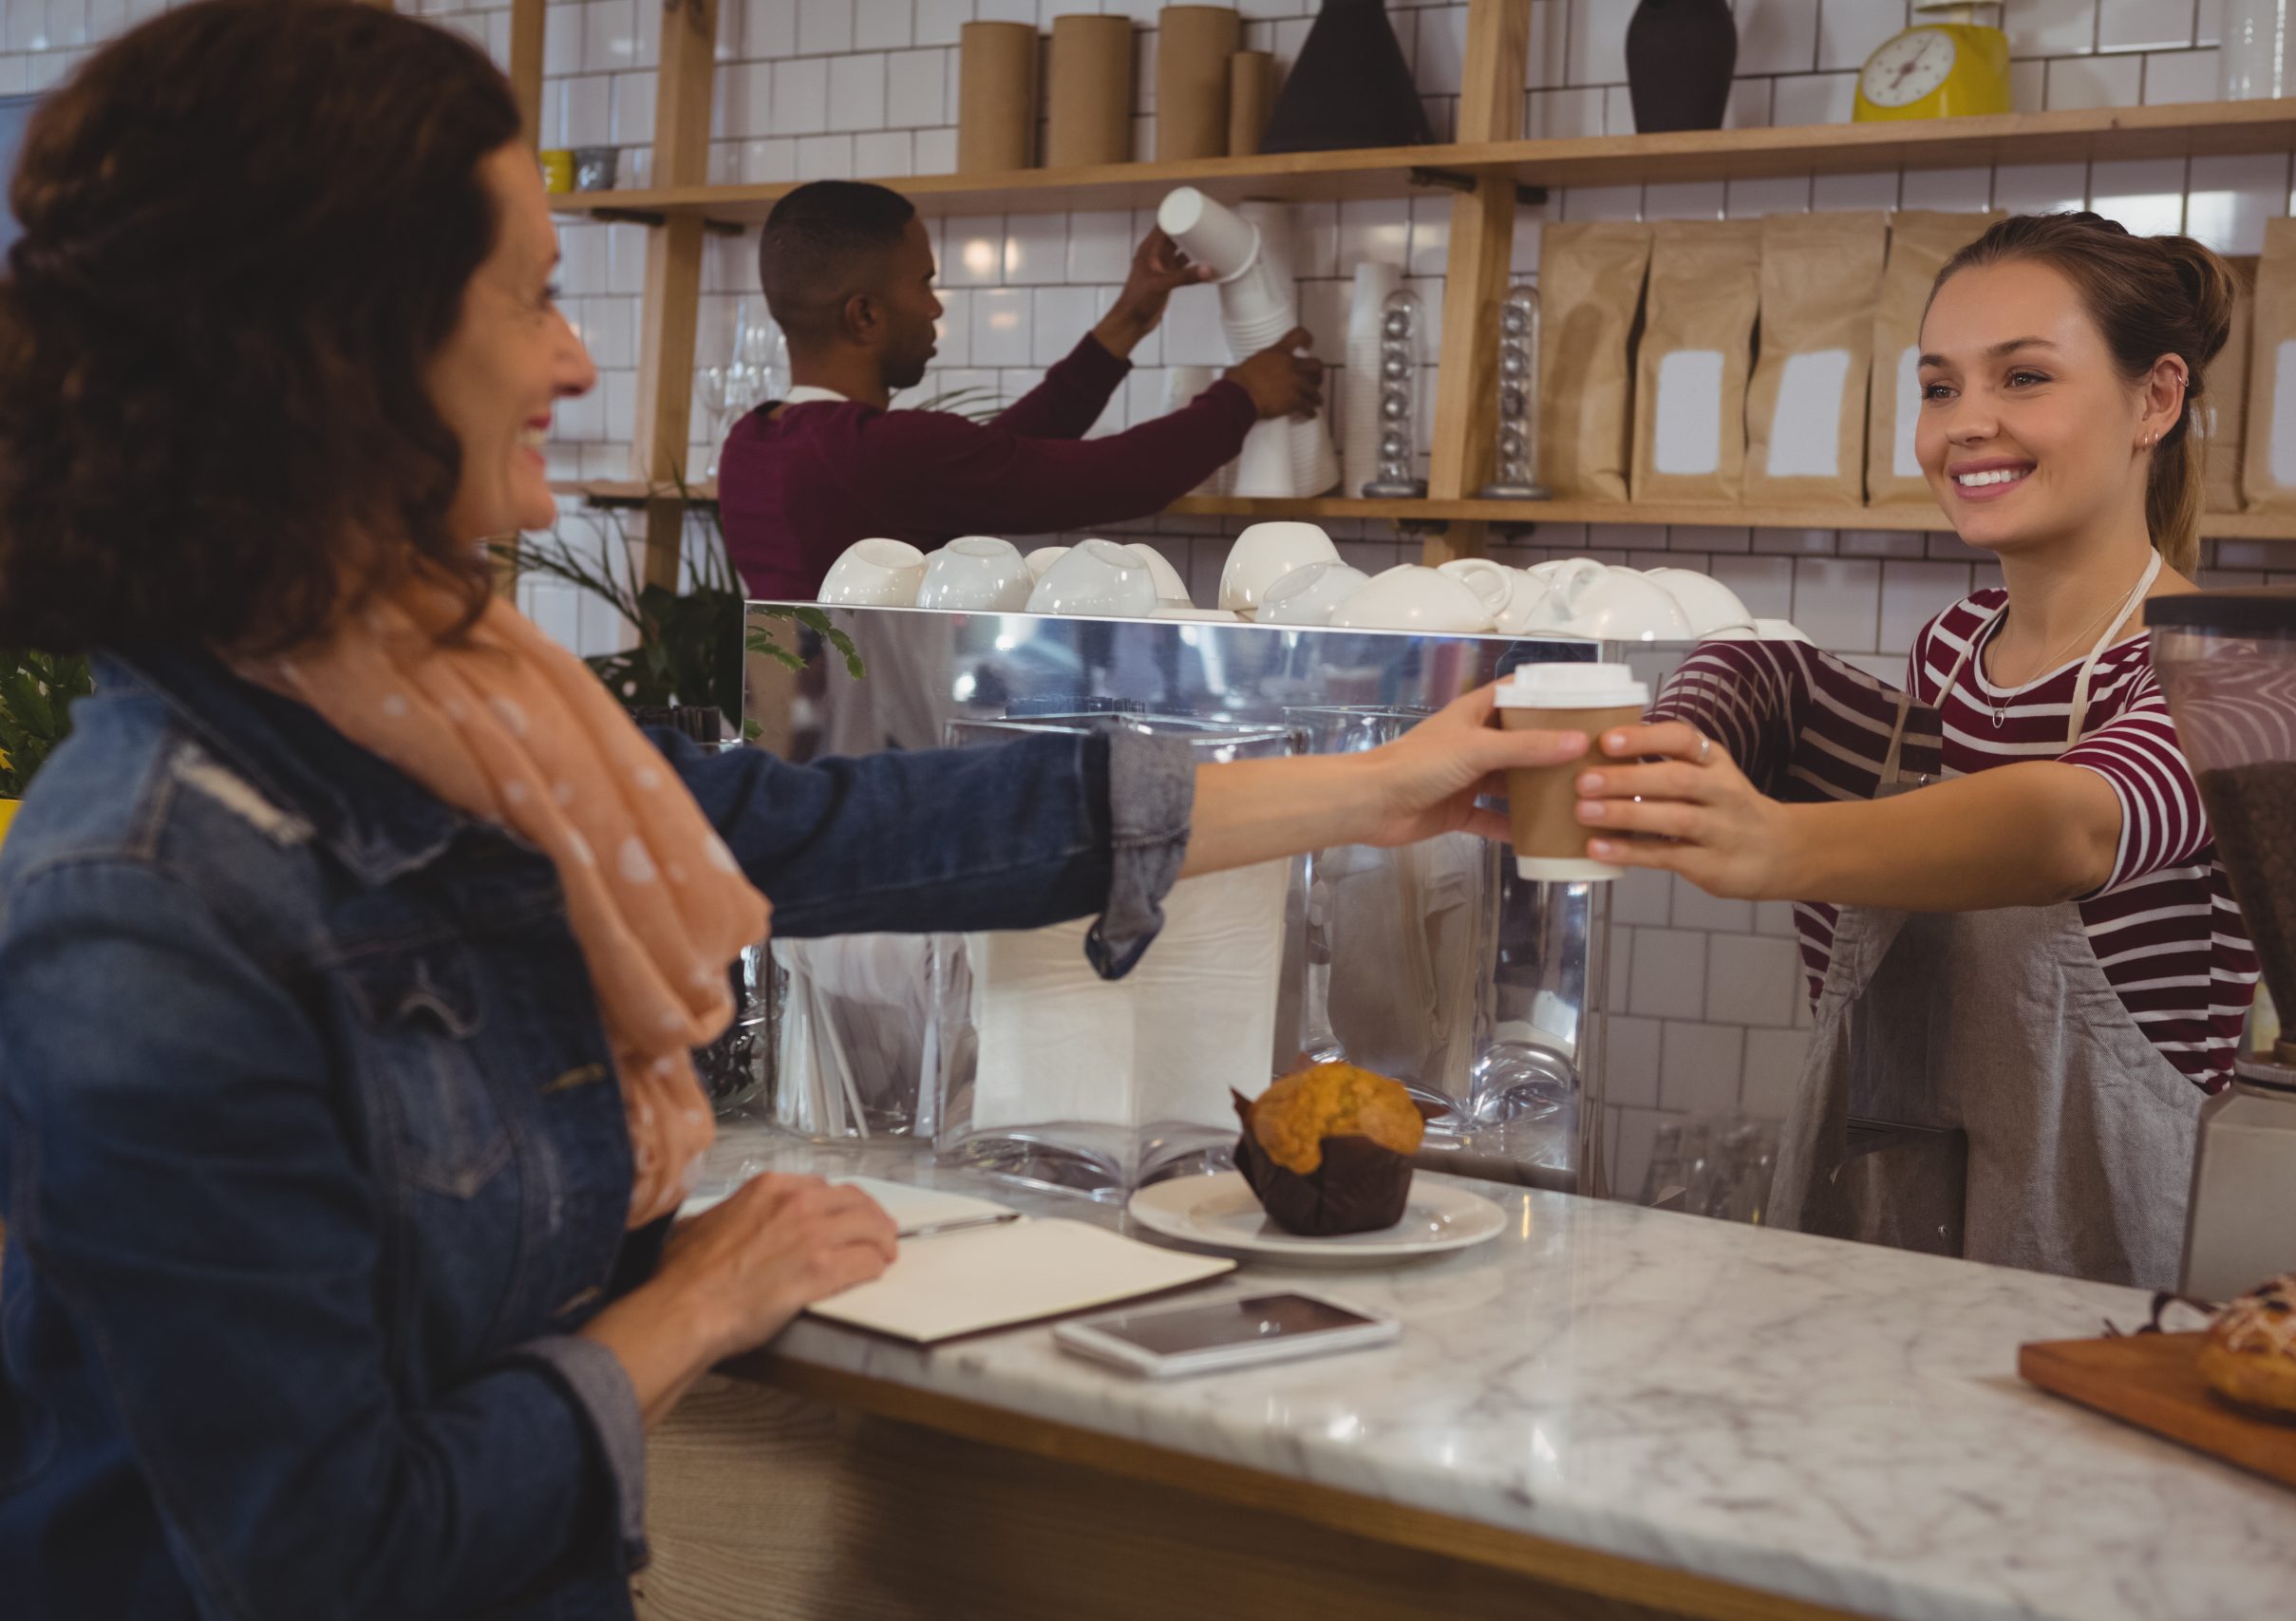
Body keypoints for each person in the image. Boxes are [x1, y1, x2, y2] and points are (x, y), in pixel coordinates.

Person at [0, 7, 1581, 1618]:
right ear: (348, 352)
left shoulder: (476, 742)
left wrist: (1387, 786)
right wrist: (690, 1303)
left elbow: (873, 828)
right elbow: (337, 1554)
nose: (578, 357)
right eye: (533, 297)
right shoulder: (146, 908)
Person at [1577, 214, 2245, 1291]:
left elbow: (2067, 827)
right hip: (1908, 1254)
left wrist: (1777, 847)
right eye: (1939, 389)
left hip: (2130, 1289)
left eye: (2022, 378)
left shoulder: (2228, 677)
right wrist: (1664, 750)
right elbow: (1769, 676)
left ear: (2154, 399)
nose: (1966, 424)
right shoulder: (1950, 655)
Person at [718, 179, 1324, 599]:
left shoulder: (753, 444)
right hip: (887, 750)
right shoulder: (880, 452)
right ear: (865, 317)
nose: (934, 308)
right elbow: (1112, 477)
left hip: (801, 746)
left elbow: (991, 458)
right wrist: (1241, 395)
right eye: (925, 283)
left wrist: (1127, 322)